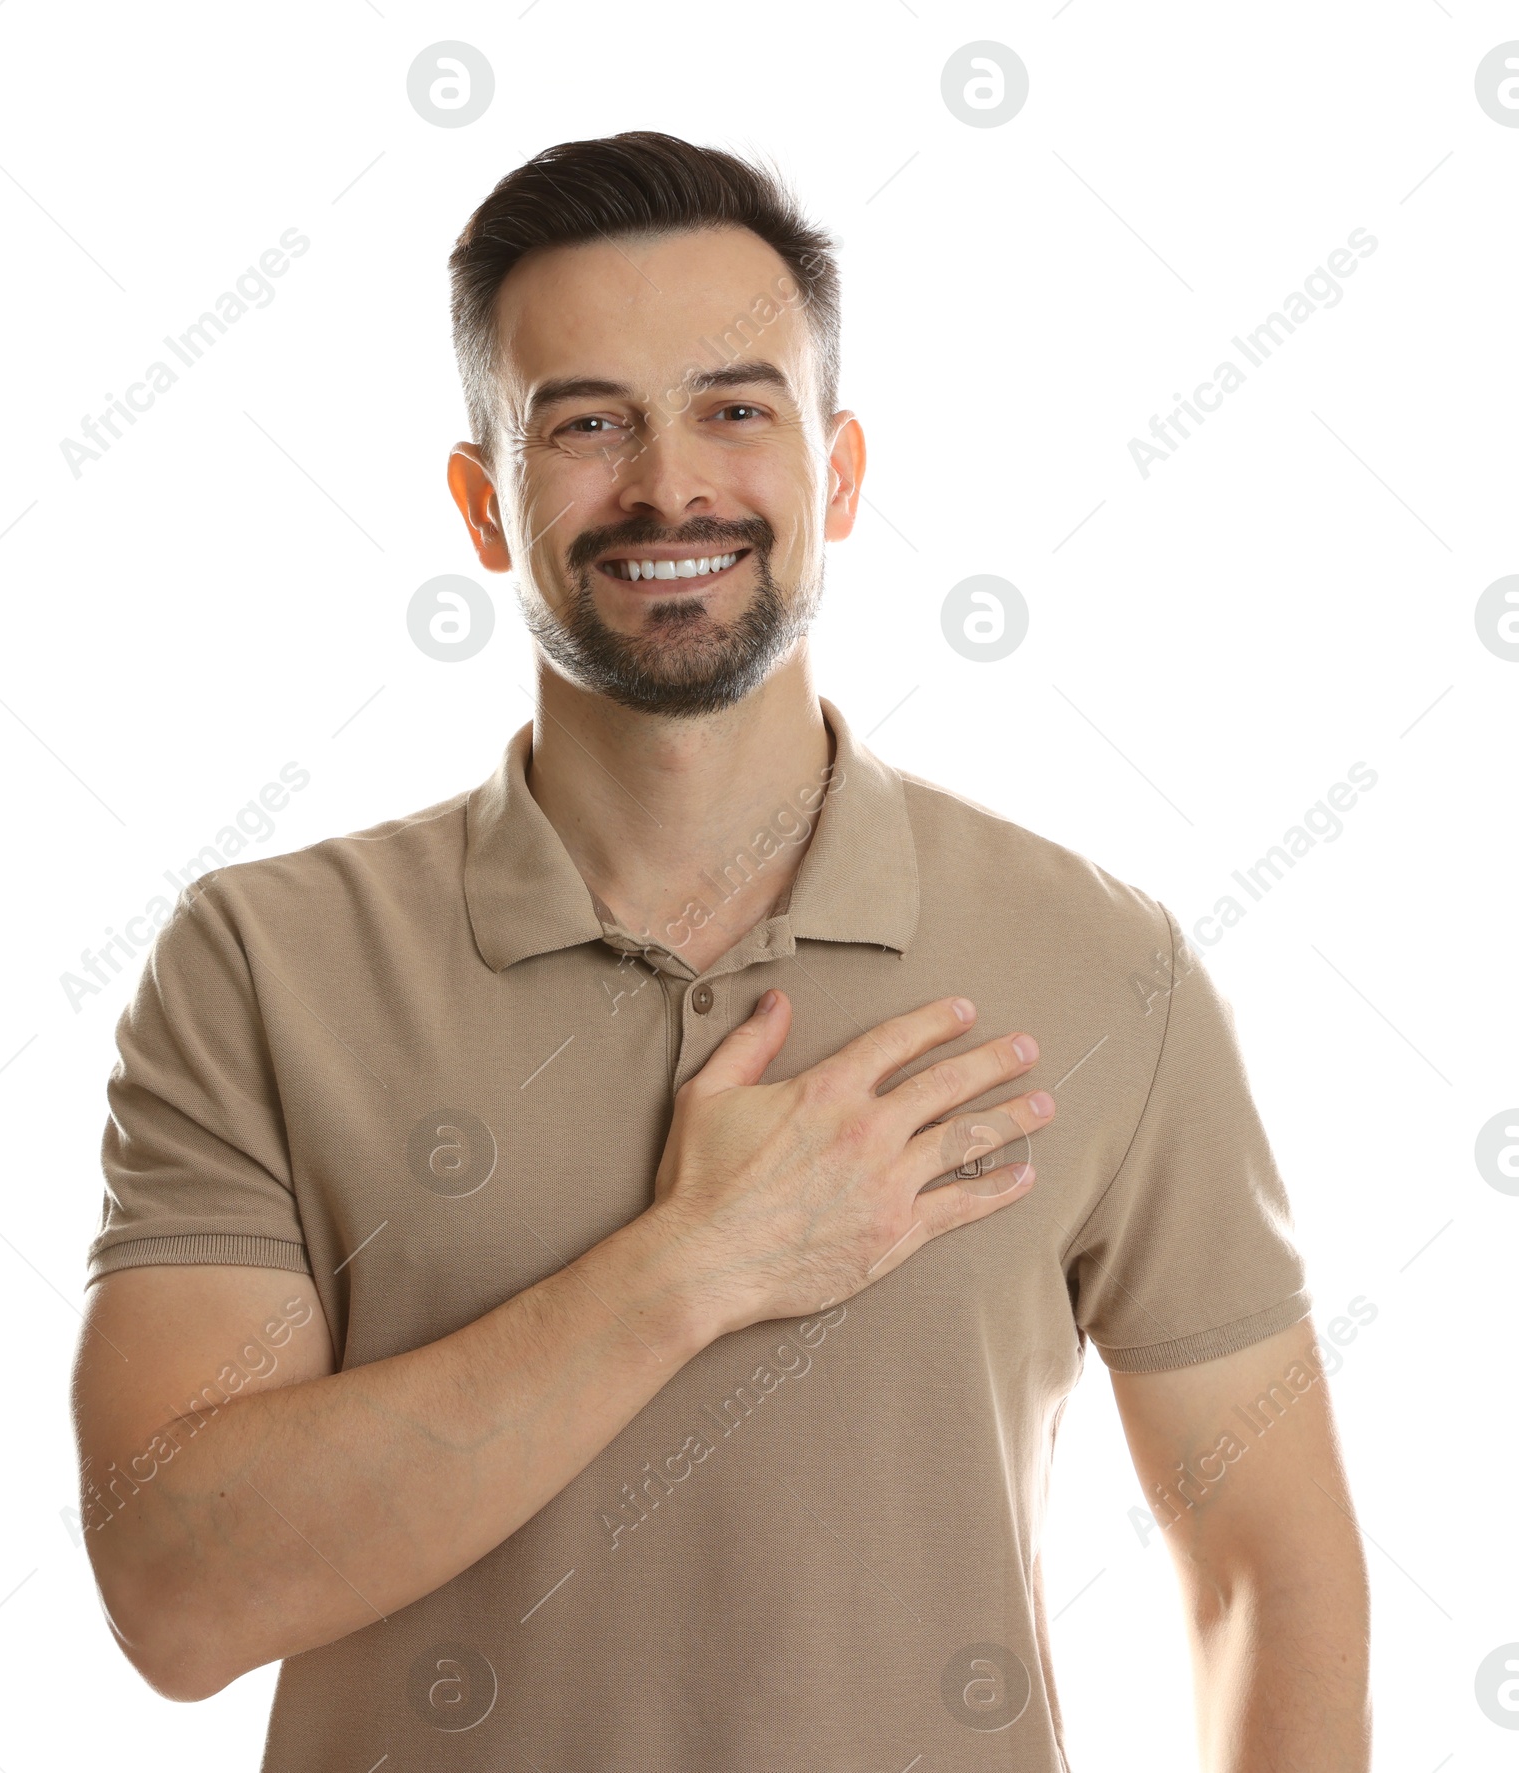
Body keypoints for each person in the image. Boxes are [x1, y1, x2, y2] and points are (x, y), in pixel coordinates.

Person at [71, 131, 1370, 1771]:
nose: (670, 484)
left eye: (735, 408)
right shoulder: (261, 964)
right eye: (587, 421)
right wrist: (699, 1262)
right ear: (484, 500)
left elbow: (1272, 1577)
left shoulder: (1106, 965)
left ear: (836, 474)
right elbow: (176, 1595)